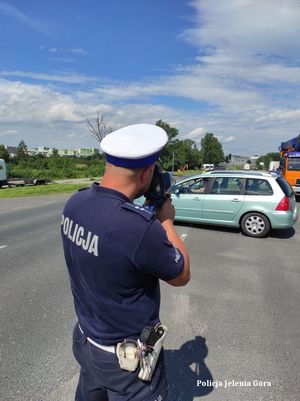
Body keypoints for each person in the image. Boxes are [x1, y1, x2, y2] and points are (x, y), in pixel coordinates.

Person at [61, 124, 190, 401]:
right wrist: (166, 221)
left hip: (86, 341)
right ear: (147, 173)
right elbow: (181, 275)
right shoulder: (139, 229)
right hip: (125, 364)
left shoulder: (75, 203)